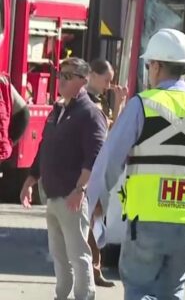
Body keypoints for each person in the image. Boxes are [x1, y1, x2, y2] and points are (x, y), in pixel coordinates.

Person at [86, 28, 185, 300]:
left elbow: (110, 159)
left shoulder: (141, 105)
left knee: (139, 291)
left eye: (148, 64)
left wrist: (96, 203)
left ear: (157, 66)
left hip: (145, 223)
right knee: (172, 293)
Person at [20, 57, 107, 300]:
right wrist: (31, 179)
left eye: (68, 76)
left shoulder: (90, 113)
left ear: (83, 80)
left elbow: (96, 155)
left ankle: (84, 295)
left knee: (78, 253)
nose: (61, 80)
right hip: (53, 195)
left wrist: (81, 189)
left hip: (73, 195)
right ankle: (62, 294)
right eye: (60, 74)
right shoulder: (57, 110)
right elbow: (44, 147)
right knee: (58, 254)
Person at [84, 58, 127, 288]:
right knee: (91, 218)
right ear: (92, 74)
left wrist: (119, 103)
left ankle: (95, 268)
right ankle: (89, 269)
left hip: (100, 168)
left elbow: (113, 131)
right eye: (106, 79)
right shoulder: (84, 100)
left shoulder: (99, 101)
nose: (109, 84)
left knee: (97, 218)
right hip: (88, 168)